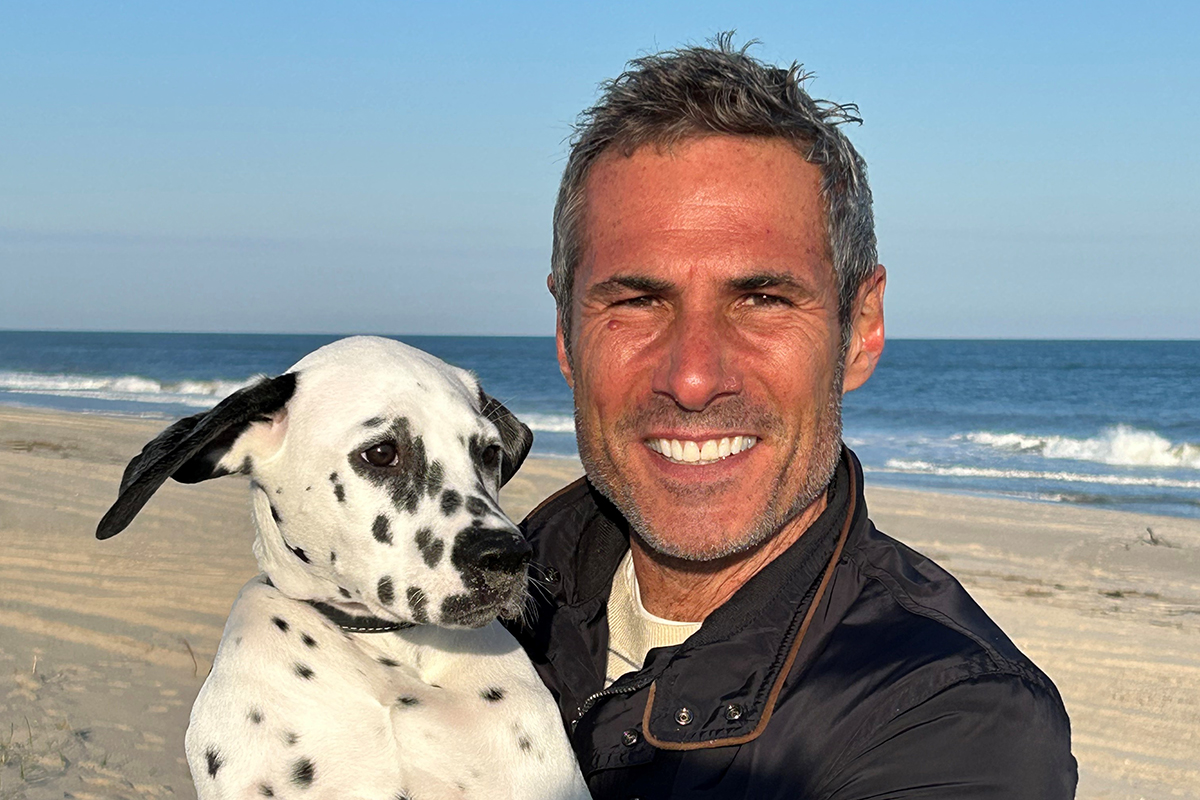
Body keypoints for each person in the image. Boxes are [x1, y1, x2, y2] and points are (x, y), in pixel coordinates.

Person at [505, 35, 1077, 798]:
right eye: (639, 301)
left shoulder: (957, 720)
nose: (695, 377)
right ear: (566, 332)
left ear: (860, 329)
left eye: (763, 300)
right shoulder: (464, 608)